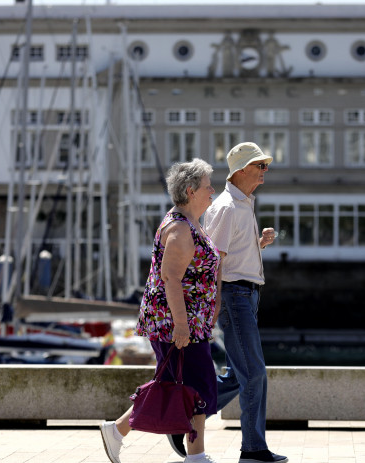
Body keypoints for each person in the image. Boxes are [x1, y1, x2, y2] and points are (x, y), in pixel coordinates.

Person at [168, 142, 287, 463]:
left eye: (265, 165)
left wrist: (257, 244)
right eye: (259, 165)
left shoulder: (242, 204)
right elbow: (213, 261)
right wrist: (215, 304)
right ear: (240, 170)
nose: (265, 171)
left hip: (245, 294)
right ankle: (253, 449)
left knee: (240, 374)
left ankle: (183, 420)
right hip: (234, 295)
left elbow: (229, 256)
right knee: (254, 373)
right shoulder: (225, 207)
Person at [100, 158, 221, 463]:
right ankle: (195, 456)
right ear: (191, 190)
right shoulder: (180, 229)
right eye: (208, 186)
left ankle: (116, 431)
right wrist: (182, 325)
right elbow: (171, 279)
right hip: (175, 323)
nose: (213, 191)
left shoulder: (190, 222)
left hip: (184, 322)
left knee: (175, 382)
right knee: (200, 384)